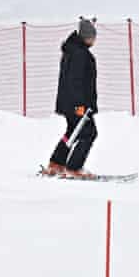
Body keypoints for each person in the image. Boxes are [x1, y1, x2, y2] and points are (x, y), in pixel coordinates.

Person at [44, 18, 99, 178]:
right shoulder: (79, 54)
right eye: (93, 37)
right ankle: (74, 168)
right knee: (89, 133)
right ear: (86, 37)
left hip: (71, 103)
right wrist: (80, 106)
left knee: (72, 132)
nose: (94, 40)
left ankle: (57, 163)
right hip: (77, 104)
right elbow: (76, 82)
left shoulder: (74, 50)